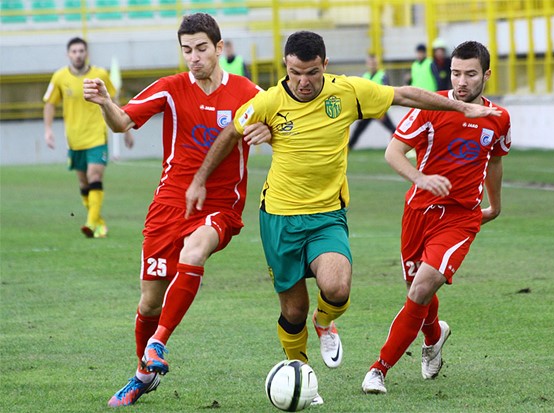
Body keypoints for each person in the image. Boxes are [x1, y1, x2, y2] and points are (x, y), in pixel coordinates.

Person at [185, 31, 500, 405]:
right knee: (293, 310)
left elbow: (404, 94)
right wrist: (200, 180)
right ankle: (301, 374)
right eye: (295, 73)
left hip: (326, 214)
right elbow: (228, 133)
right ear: (285, 67)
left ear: (325, 66)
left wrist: (460, 107)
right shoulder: (267, 101)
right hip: (279, 219)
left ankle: (325, 322)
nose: (303, 82)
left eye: (312, 73)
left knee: (337, 288)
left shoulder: (347, 92)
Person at [82, 13, 271, 407]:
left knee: (194, 251)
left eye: (201, 48)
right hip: (170, 204)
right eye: (187, 50)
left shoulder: (248, 92)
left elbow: (279, 122)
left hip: (221, 205)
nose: (194, 57)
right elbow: (122, 123)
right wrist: (104, 102)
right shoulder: (170, 89)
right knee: (149, 302)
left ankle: (159, 343)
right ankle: (142, 374)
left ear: (219, 48)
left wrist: (267, 129)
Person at [361, 40, 511, 394]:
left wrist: (496, 205)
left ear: (486, 74)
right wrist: (420, 178)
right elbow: (393, 151)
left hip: (461, 216)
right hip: (417, 212)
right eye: (456, 73)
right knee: (417, 290)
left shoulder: (499, 118)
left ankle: (378, 369)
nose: (461, 82)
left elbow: (496, 161)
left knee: (422, 286)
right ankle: (434, 335)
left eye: (471, 74)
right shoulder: (430, 108)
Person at [43, 37, 134, 239]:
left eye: (81, 51)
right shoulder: (59, 77)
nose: (78, 54)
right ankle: (99, 222)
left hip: (97, 136)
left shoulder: (99, 75)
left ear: (87, 53)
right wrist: (48, 130)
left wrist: (126, 129)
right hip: (74, 139)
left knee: (95, 176)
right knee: (84, 185)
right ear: (68, 54)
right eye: (74, 51)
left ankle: (91, 223)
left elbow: (114, 101)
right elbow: (49, 103)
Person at [348, 53, 397, 149]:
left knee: (393, 130)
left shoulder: (382, 76)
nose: (372, 64)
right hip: (368, 110)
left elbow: (387, 92)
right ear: (367, 64)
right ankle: (347, 150)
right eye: (370, 62)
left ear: (377, 63)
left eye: (374, 62)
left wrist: (382, 110)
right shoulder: (365, 76)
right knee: (357, 131)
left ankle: (396, 148)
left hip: (379, 110)